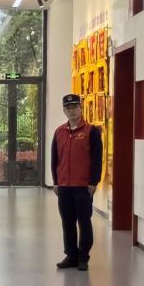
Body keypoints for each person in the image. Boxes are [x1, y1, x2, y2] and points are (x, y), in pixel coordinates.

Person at [51, 94, 103, 271]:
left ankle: (83, 257)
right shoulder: (59, 132)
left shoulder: (91, 131)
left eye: (74, 107)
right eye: (68, 108)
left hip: (83, 186)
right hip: (64, 187)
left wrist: (94, 182)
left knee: (84, 222)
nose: (71, 110)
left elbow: (97, 159)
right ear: (64, 110)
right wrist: (56, 182)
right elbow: (54, 159)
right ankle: (71, 255)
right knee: (67, 222)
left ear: (80, 108)